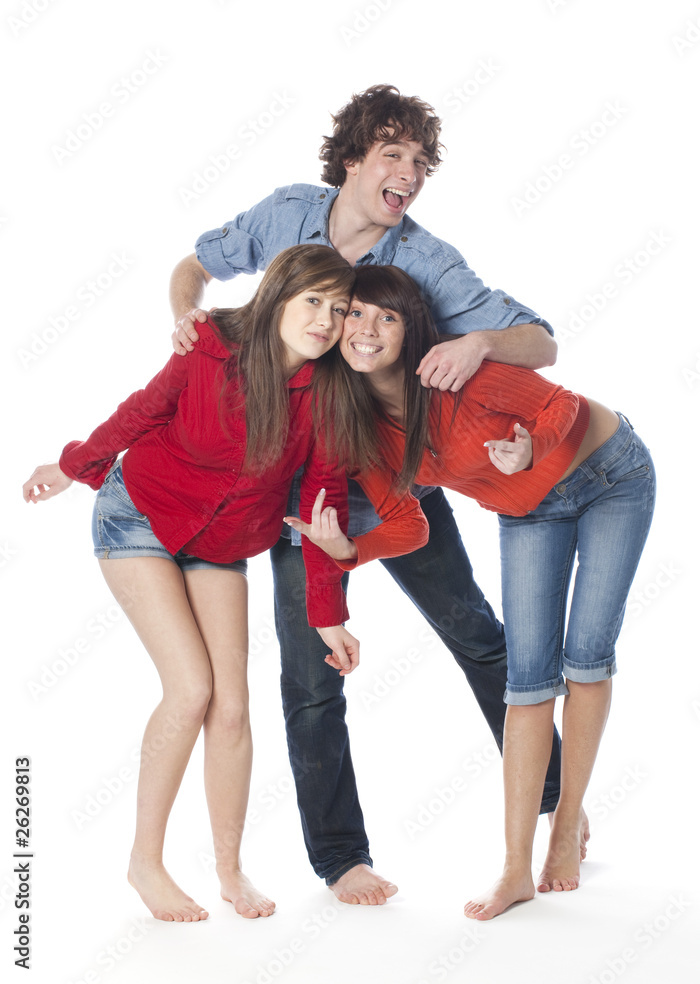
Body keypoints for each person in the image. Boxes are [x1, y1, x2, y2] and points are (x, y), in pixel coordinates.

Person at [169, 84, 569, 905]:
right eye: (393, 154)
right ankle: (341, 858)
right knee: (312, 678)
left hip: (397, 478)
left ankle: (557, 802)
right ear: (352, 159)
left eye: (420, 162)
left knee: (478, 637)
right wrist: (184, 314)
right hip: (299, 494)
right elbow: (195, 265)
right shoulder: (287, 214)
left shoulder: (425, 259)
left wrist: (480, 343)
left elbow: (542, 342)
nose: (409, 174)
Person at [21, 245, 427, 924]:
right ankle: (144, 864)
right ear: (278, 296)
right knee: (191, 690)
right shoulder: (209, 346)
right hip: (139, 516)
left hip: (223, 544)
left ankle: (230, 870)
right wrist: (72, 465)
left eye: (338, 308)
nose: (326, 321)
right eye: (313, 301)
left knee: (232, 707)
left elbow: (321, 508)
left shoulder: (328, 395)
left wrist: (328, 615)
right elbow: (144, 411)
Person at [288, 264, 655, 920]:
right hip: (530, 511)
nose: (367, 329)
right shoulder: (364, 429)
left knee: (585, 657)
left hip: (611, 475)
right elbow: (408, 523)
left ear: (410, 330)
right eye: (356, 314)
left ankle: (565, 825)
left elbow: (561, 404)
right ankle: (515, 870)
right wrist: (349, 551)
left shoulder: (453, 374)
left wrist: (532, 447)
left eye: (387, 317)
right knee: (528, 678)